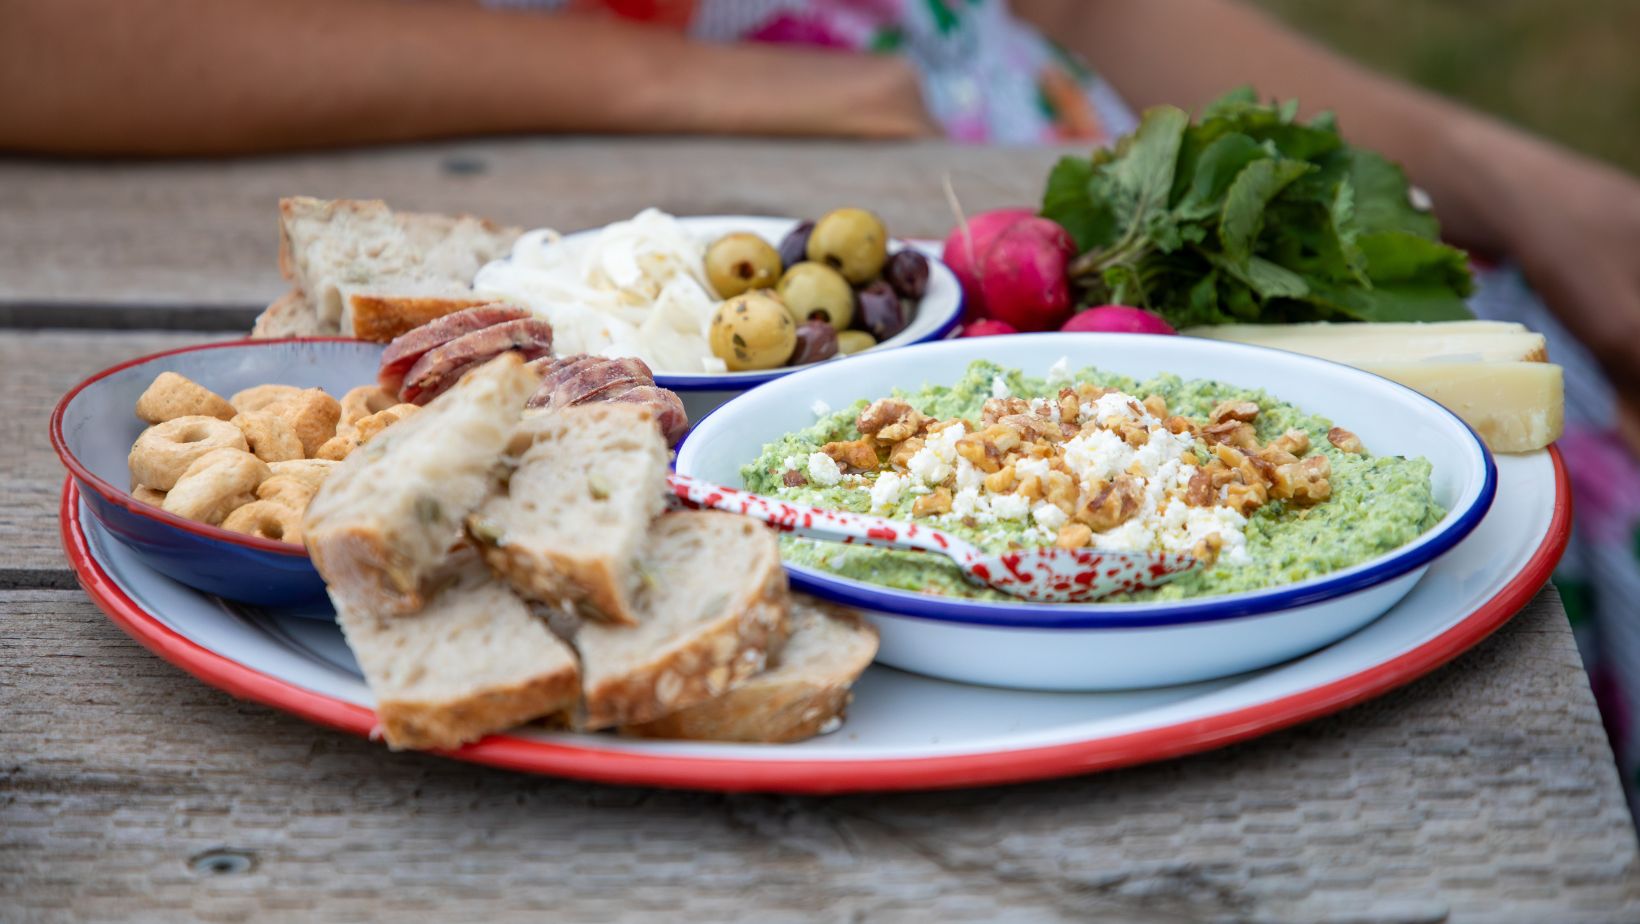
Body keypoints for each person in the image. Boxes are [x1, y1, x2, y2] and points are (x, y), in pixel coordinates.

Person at [8, 0, 1640, 798]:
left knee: (1567, 506)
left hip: (968, 145)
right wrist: (701, 82)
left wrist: (1513, 171)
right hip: (678, 131)